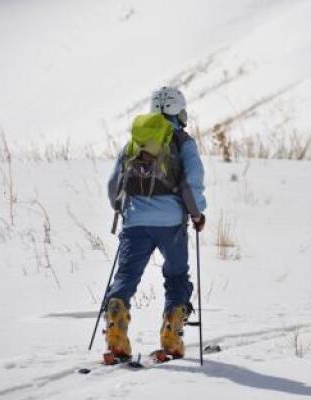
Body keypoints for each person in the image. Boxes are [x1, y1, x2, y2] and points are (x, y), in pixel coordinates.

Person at [104, 87, 206, 363]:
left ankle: (116, 332)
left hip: (135, 222)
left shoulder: (135, 142)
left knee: (125, 277)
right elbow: (191, 183)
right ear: (180, 112)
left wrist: (123, 209)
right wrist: (197, 215)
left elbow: (113, 183)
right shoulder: (183, 141)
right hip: (171, 223)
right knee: (176, 276)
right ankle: (172, 335)